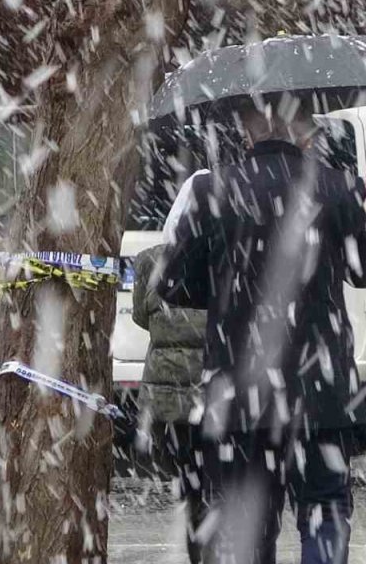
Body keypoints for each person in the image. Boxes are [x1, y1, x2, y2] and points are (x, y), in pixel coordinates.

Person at [158, 96, 366, 564]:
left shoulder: (214, 192)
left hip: (242, 395)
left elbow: (173, 285)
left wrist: (224, 288)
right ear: (303, 132)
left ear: (246, 131)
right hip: (321, 392)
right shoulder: (339, 188)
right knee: (324, 510)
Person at [131, 241, 208, 563]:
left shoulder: (150, 260)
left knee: (193, 491)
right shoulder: (229, 251)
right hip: (215, 393)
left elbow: (140, 317)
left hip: (169, 398)